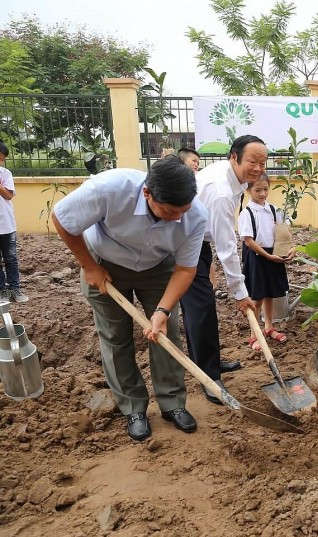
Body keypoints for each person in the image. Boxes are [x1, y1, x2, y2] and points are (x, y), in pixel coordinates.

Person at [51, 155, 208, 441]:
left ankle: (172, 404)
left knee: (166, 333)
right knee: (115, 336)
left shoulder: (194, 216)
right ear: (147, 192)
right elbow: (62, 218)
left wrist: (163, 310)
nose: (178, 218)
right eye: (170, 211)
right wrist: (88, 265)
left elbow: (185, 269)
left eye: (183, 210)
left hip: (158, 267)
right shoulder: (109, 189)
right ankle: (133, 407)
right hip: (105, 263)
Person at [180, 135, 267, 404]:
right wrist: (240, 294)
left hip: (198, 238)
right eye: (252, 161)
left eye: (262, 162)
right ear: (234, 157)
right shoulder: (221, 192)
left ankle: (211, 363)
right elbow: (227, 248)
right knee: (201, 307)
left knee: (202, 306)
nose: (258, 168)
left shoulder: (235, 179)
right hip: (183, 242)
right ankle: (209, 376)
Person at [238, 174, 294, 350]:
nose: (262, 194)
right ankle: (254, 334)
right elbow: (249, 241)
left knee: (270, 294)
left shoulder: (273, 209)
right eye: (257, 190)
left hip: (273, 254)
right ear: (248, 190)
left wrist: (290, 248)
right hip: (257, 257)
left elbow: (282, 231)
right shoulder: (247, 213)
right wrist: (267, 256)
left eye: (265, 189)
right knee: (257, 297)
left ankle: (269, 327)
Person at [178, 147, 227, 300]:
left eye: (198, 162)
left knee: (205, 259)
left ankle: (213, 286)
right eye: (193, 161)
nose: (196, 164)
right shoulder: (177, 183)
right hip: (182, 235)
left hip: (201, 234)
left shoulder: (201, 180)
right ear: (182, 161)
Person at [0, 141, 29, 303]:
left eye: (2, 160)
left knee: (11, 258)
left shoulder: (5, 174)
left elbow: (8, 195)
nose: (1, 163)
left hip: (6, 225)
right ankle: (2, 291)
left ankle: (15, 288)